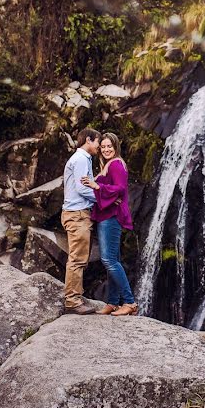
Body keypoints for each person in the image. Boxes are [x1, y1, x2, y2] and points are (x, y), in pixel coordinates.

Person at [81, 132, 138, 316]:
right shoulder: (107, 165)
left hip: (111, 217)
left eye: (109, 146)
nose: (106, 149)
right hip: (107, 215)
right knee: (114, 260)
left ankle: (129, 302)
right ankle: (113, 302)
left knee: (108, 260)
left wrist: (98, 186)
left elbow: (120, 188)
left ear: (116, 146)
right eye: (103, 146)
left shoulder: (116, 164)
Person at [61, 127, 101, 314]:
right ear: (88, 140)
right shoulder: (81, 159)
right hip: (77, 214)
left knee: (79, 257)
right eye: (97, 142)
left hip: (77, 212)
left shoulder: (81, 159)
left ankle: (75, 295)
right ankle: (72, 301)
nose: (99, 146)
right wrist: (103, 197)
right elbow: (82, 188)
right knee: (77, 258)